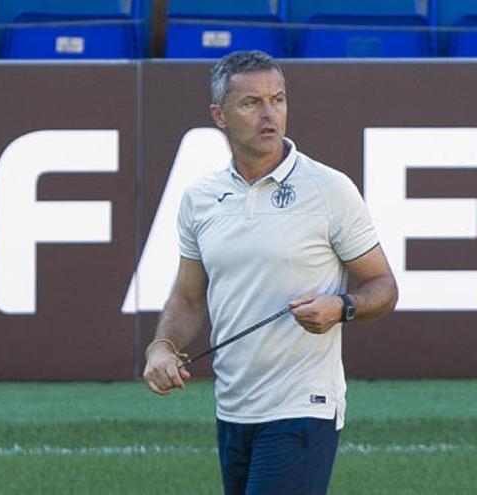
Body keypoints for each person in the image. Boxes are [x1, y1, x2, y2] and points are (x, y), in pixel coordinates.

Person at [142, 50, 398, 495]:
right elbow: (187, 297)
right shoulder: (201, 197)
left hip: (304, 406)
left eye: (277, 99)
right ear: (218, 115)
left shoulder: (329, 189)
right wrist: (161, 348)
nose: (269, 114)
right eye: (251, 103)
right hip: (234, 409)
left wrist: (341, 307)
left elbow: (383, 286)